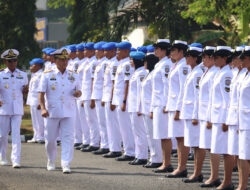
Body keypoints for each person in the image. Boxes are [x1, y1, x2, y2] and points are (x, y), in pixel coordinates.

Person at [38, 48, 82, 174]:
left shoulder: (74, 74)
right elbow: (41, 94)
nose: (64, 62)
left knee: (68, 138)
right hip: (52, 111)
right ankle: (51, 160)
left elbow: (79, 91)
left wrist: (78, 93)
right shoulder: (47, 74)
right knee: (50, 139)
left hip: (69, 111)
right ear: (55, 60)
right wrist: (42, 108)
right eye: (62, 60)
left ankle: (66, 163)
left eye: (66, 59)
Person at [209, 46, 234, 190]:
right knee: (217, 149)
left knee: (226, 151)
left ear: (224, 58)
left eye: (216, 57)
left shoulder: (226, 75)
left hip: (222, 118)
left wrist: (226, 120)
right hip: (217, 117)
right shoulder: (220, 72)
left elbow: (227, 99)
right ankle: (217, 178)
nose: (214, 60)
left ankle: (227, 181)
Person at [180, 44, 204, 183]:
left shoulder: (198, 74)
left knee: (197, 145)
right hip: (189, 113)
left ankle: (197, 172)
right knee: (193, 144)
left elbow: (197, 96)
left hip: (194, 114)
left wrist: (195, 115)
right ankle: (196, 172)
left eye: (188, 56)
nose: (186, 59)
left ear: (195, 58)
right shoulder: (193, 71)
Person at [0, 49, 28, 168]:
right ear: (5, 62)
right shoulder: (0, 74)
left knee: (16, 134)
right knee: (2, 135)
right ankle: (3, 156)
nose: (13, 63)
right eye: (10, 61)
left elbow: (24, 90)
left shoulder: (23, 74)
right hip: (4, 108)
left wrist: (26, 91)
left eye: (14, 60)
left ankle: (16, 159)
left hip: (17, 108)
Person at [165, 40, 189, 178]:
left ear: (181, 52)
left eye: (174, 50)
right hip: (173, 105)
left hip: (178, 107)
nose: (171, 52)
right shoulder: (176, 65)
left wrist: (179, 110)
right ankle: (181, 166)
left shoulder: (183, 66)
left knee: (181, 138)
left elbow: (182, 89)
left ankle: (182, 167)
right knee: (179, 138)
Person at [198, 46, 221, 188]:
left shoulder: (215, 73)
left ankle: (215, 177)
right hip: (205, 114)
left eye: (206, 57)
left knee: (214, 147)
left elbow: (217, 98)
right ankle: (213, 176)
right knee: (209, 147)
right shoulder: (208, 71)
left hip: (213, 115)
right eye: (203, 57)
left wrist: (211, 117)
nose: (204, 60)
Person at [150, 39, 173, 173]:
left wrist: (165, 105)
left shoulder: (166, 65)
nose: (155, 50)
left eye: (158, 48)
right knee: (161, 135)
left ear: (164, 50)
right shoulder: (160, 64)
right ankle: (165, 162)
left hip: (162, 104)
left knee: (165, 135)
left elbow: (166, 86)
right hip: (157, 103)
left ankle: (167, 163)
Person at [111, 41, 135, 161]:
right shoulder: (121, 63)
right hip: (118, 98)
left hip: (122, 99)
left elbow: (127, 83)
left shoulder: (127, 65)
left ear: (126, 51)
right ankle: (127, 150)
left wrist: (124, 101)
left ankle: (130, 152)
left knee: (126, 127)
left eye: (119, 50)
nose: (117, 52)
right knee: (122, 127)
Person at [139, 51, 163, 168]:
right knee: (149, 134)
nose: (144, 63)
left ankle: (157, 158)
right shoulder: (149, 73)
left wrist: (152, 109)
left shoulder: (153, 74)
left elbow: (155, 92)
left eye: (146, 61)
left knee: (154, 135)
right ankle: (153, 157)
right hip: (146, 107)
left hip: (151, 107)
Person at [226, 46, 246, 172]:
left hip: (244, 118)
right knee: (238, 150)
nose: (234, 60)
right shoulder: (237, 73)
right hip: (236, 117)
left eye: (237, 58)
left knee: (244, 152)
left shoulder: (244, 74)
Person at [101, 42, 123, 158]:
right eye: (104, 51)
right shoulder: (110, 63)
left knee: (113, 124)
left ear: (112, 51)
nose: (105, 53)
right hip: (107, 96)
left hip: (111, 97)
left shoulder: (115, 63)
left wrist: (111, 99)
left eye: (107, 51)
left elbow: (114, 83)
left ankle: (115, 149)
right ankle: (111, 147)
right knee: (108, 124)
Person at [127, 51, 148, 165]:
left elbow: (141, 92)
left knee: (140, 132)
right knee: (136, 132)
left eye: (132, 60)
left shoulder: (141, 74)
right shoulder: (136, 72)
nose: (130, 62)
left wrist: (140, 108)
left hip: (137, 107)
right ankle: (138, 154)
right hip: (133, 106)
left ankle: (142, 156)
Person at [81, 42, 101, 152]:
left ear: (92, 51)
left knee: (93, 120)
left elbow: (93, 81)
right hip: (86, 94)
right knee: (88, 120)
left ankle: (94, 142)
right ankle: (90, 141)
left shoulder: (94, 63)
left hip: (90, 94)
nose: (84, 52)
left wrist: (92, 97)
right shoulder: (89, 62)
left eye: (86, 50)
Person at [91, 42, 110, 155]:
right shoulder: (99, 63)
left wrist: (103, 97)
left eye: (98, 50)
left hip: (102, 95)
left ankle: (105, 145)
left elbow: (105, 82)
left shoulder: (105, 64)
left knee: (104, 122)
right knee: (100, 121)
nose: (96, 52)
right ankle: (103, 144)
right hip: (97, 94)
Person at [237, 46, 250, 190]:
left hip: (248, 121)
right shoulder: (245, 74)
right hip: (243, 121)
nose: (241, 61)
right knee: (243, 154)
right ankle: (242, 185)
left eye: (244, 58)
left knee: (246, 155)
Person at [27, 58, 45, 144]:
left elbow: (42, 90)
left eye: (32, 65)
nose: (30, 67)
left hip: (37, 101)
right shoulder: (34, 75)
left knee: (40, 120)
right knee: (35, 120)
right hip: (32, 100)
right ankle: (36, 136)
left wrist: (41, 102)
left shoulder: (41, 75)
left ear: (38, 66)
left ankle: (41, 136)